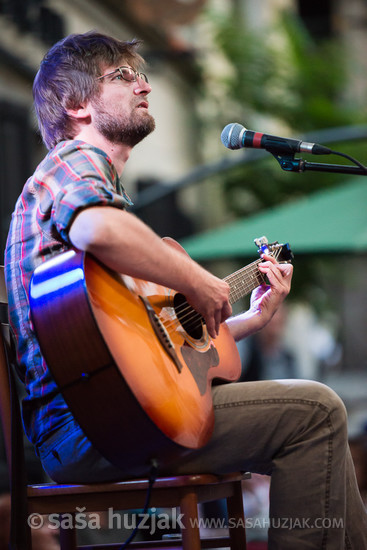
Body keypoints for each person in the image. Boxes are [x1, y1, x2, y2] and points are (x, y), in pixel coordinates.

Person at [3, 31, 367, 549]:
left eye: (143, 74)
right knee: (316, 413)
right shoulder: (71, 164)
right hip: (94, 426)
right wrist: (196, 279)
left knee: (310, 415)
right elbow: (97, 228)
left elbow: (156, 344)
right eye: (123, 76)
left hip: (104, 419)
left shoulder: (97, 190)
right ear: (75, 104)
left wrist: (249, 320)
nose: (144, 86)